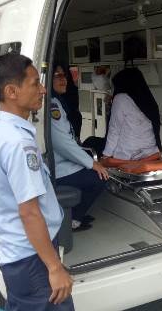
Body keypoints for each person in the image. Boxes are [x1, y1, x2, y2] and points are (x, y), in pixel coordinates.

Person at [0, 54, 74, 310]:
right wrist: (54, 267)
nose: (43, 89)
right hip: (32, 259)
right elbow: (30, 212)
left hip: (20, 256)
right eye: (35, 83)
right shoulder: (19, 143)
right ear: (12, 91)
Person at [51, 66, 109, 231]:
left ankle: (75, 214)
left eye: (65, 76)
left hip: (63, 162)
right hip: (58, 168)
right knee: (99, 178)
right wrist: (92, 163)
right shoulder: (51, 105)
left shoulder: (58, 102)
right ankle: (73, 220)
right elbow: (62, 143)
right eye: (57, 76)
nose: (64, 79)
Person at [103, 68, 162, 160]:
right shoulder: (147, 97)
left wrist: (106, 155)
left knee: (92, 142)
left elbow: (114, 129)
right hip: (151, 153)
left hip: (128, 155)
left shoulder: (120, 98)